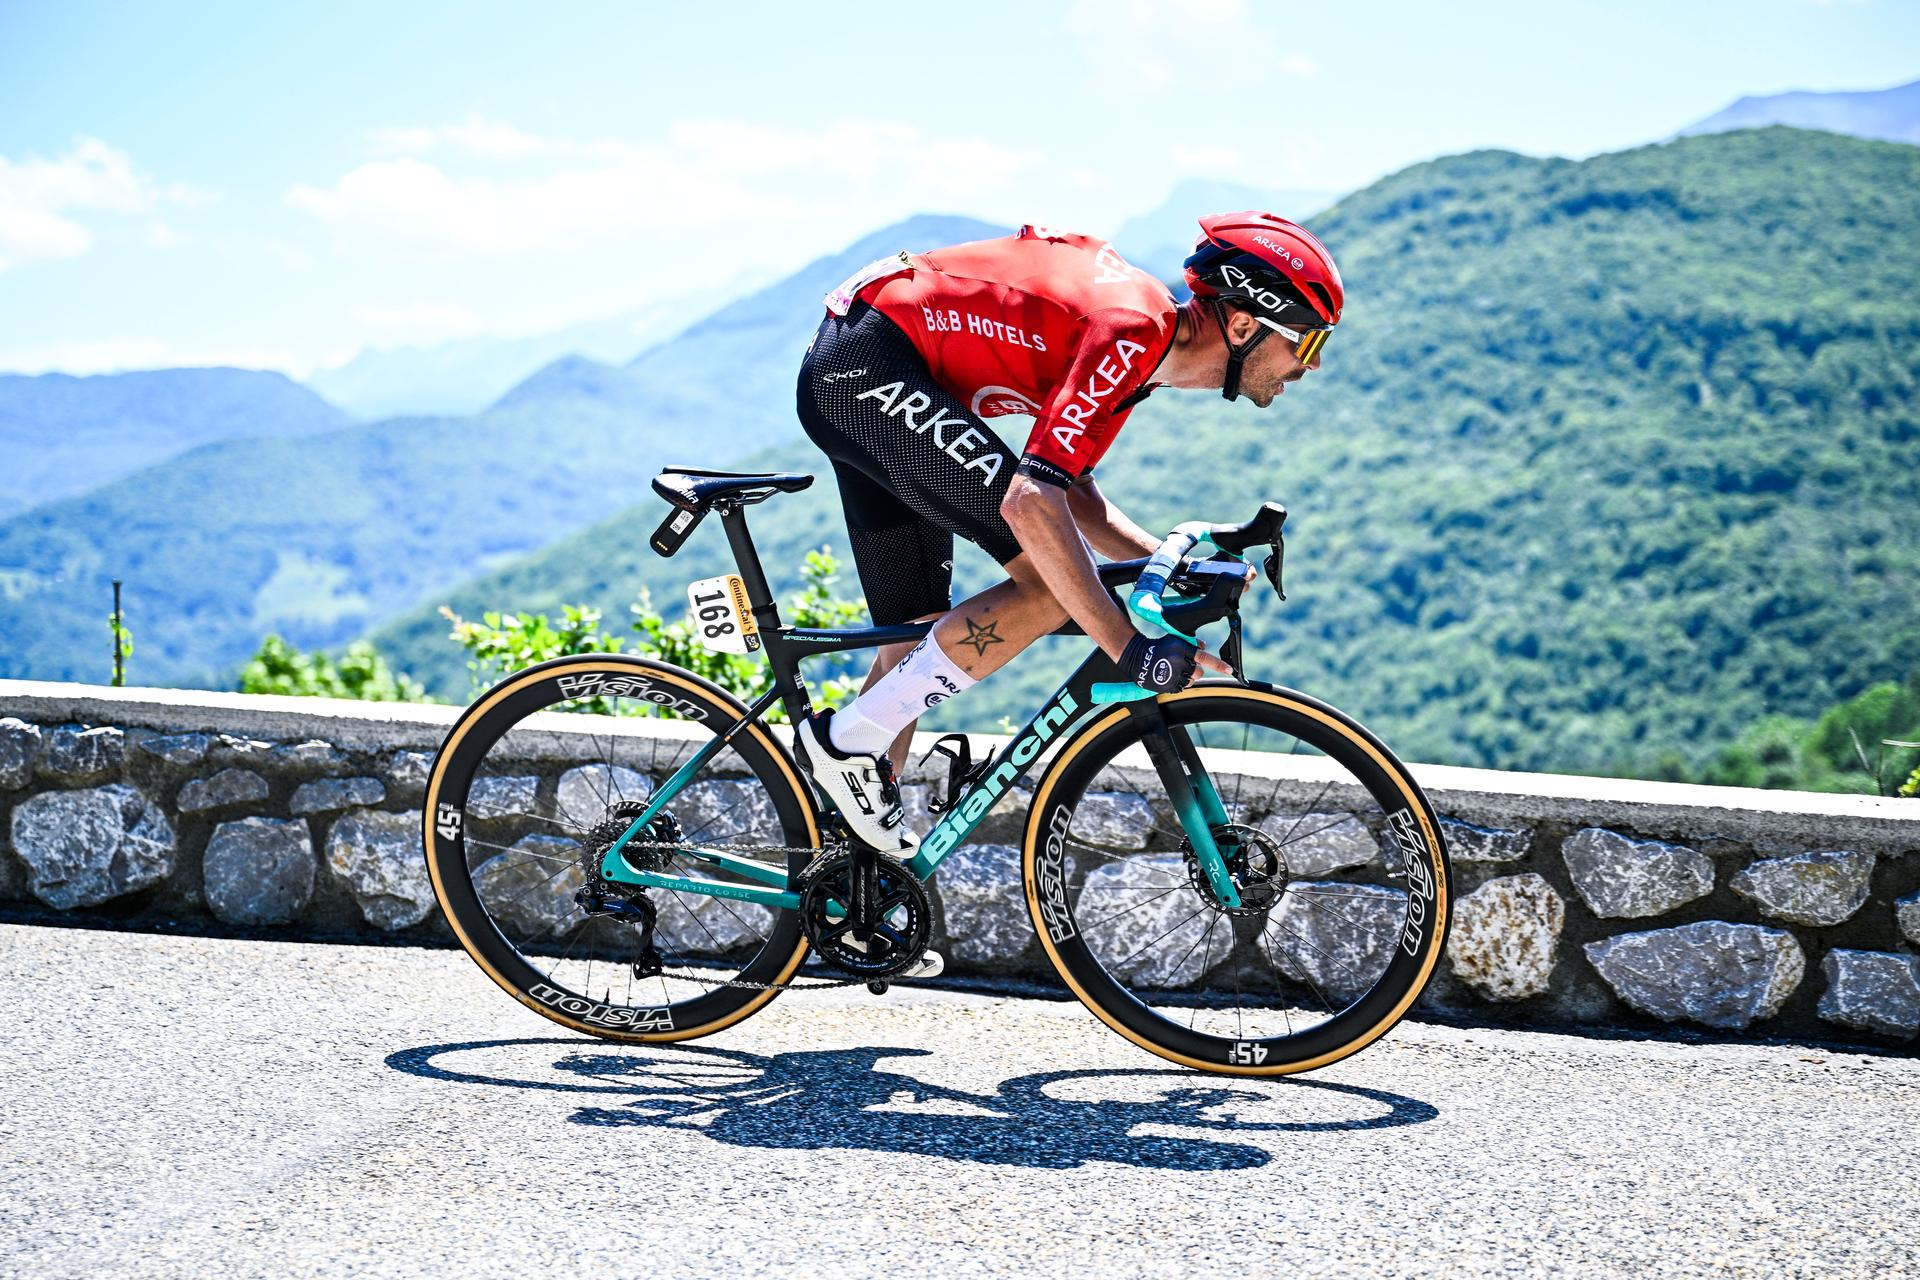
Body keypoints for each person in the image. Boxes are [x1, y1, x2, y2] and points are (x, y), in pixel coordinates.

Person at [792, 213, 1343, 852]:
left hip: (864, 360)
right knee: (1049, 585)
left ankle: (857, 887)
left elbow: (1071, 491)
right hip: (868, 362)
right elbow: (1031, 502)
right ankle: (844, 741)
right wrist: (1127, 646)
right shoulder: (1132, 332)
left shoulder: (1145, 352)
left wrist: (1165, 559)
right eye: (1305, 343)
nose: (1315, 364)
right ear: (1245, 324)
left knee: (918, 634)